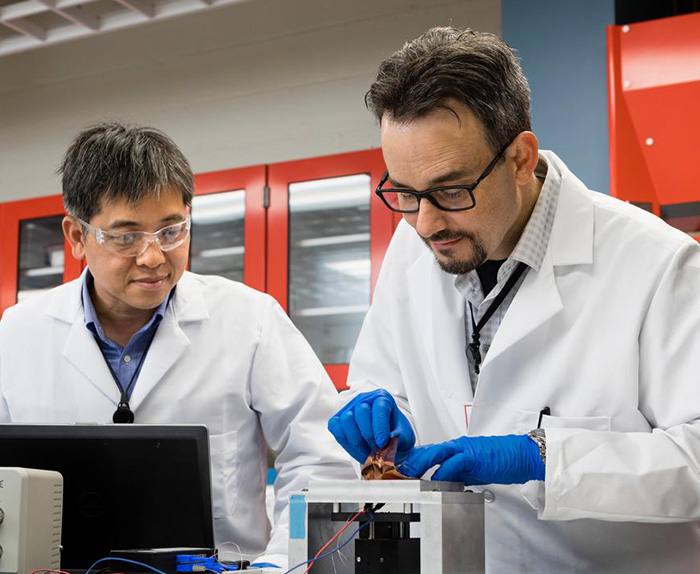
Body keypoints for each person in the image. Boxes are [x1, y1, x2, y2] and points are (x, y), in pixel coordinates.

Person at [329, 26, 700, 573]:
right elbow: (383, 380)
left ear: (521, 158)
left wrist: (543, 457)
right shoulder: (414, 248)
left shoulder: (657, 264)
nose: (426, 222)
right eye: (404, 193)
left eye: (452, 190)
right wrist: (375, 409)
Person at [0, 122, 356, 568]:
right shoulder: (18, 332)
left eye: (171, 231)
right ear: (76, 237)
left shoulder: (250, 320)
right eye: (126, 236)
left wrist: (282, 561)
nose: (153, 256)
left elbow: (320, 457)